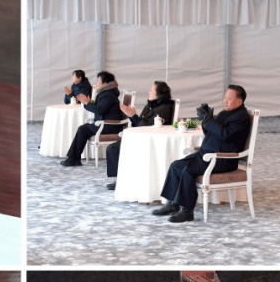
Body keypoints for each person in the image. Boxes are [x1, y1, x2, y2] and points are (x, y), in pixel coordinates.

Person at [153, 85, 251, 223]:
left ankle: (187, 211)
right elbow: (211, 132)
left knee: (188, 171)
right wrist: (206, 120)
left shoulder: (242, 117)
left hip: (222, 159)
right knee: (175, 166)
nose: (225, 101)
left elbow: (224, 134)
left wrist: (210, 120)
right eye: (224, 98)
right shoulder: (225, 113)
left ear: (239, 101)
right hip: (206, 155)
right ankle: (172, 205)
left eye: (229, 99)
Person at [106, 81, 175, 189]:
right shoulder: (151, 105)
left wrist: (133, 115)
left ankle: (121, 181)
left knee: (113, 148)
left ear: (159, 93)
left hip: (152, 141)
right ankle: (120, 179)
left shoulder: (165, 107)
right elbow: (140, 123)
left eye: (152, 90)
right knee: (114, 148)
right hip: (143, 137)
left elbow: (148, 127)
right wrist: (132, 115)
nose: (149, 92)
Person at [60, 71, 127, 167]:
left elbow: (99, 110)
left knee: (82, 129)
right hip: (104, 123)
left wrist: (87, 102)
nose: (97, 84)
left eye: (98, 82)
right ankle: (73, 158)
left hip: (110, 125)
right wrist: (88, 101)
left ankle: (73, 159)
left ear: (105, 83)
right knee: (83, 129)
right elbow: (96, 105)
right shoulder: (106, 93)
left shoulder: (108, 95)